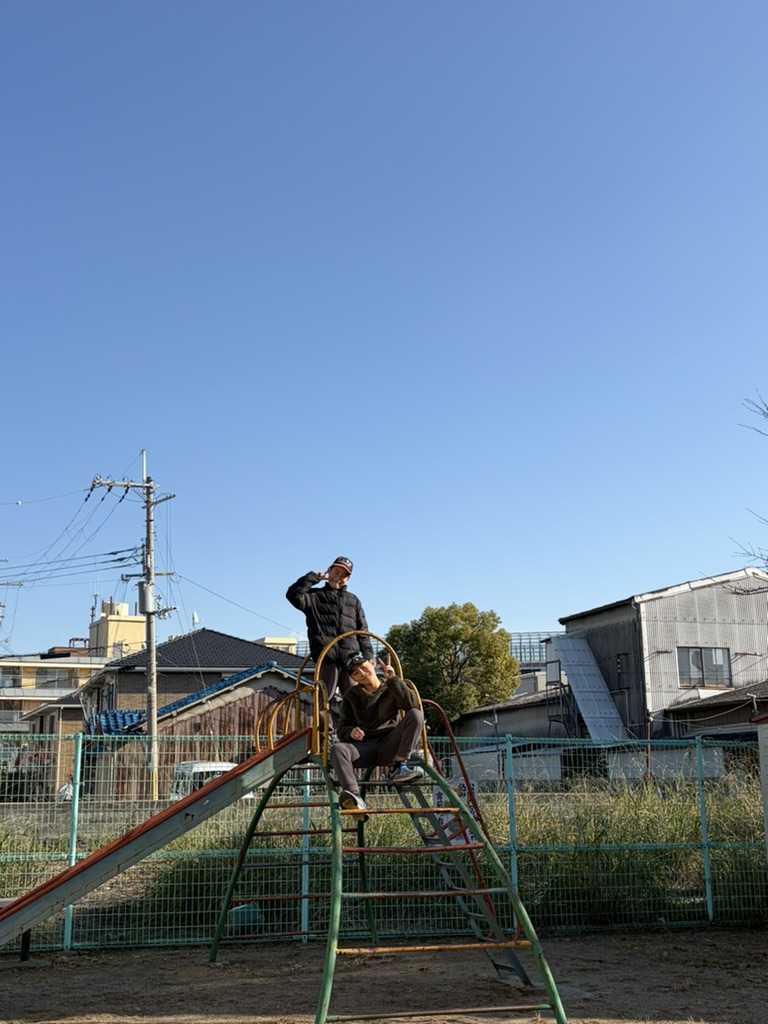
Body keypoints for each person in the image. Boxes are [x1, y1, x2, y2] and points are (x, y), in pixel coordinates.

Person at [331, 649, 425, 819]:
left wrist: (393, 680)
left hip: (389, 743)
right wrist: (351, 731)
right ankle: (354, 797)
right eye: (355, 672)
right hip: (364, 747)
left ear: (372, 664)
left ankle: (399, 767)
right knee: (338, 749)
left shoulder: (390, 687)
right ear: (353, 678)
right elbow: (342, 728)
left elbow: (411, 705)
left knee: (416, 715)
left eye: (362, 667)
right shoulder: (351, 696)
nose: (360, 673)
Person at [286, 556, 373, 706]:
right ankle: (325, 730)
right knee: (324, 698)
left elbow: (362, 630)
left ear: (348, 579)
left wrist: (368, 656)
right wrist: (313, 578)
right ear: (329, 570)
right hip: (327, 656)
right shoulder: (314, 597)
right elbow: (293, 595)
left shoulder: (353, 600)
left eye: (344, 575)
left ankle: (355, 729)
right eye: (336, 572)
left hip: (351, 658)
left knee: (355, 698)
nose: (338, 578)